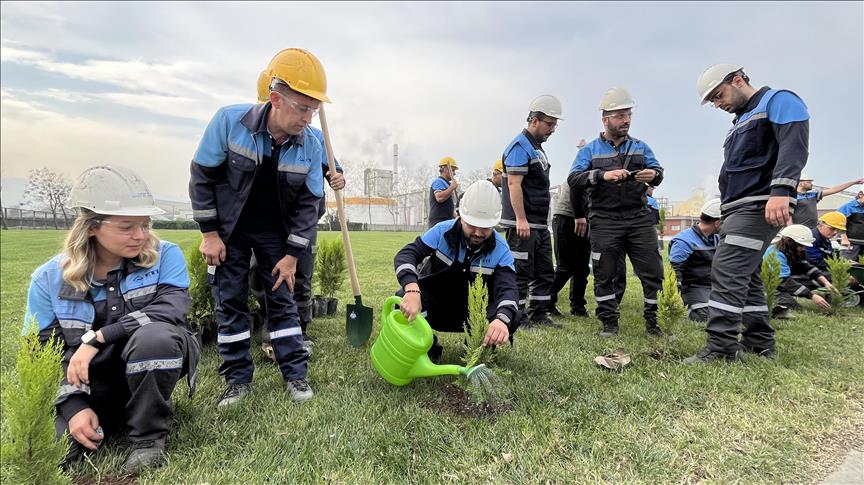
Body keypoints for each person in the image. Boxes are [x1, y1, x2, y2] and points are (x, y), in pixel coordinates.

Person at [26, 166, 199, 474]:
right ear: (91, 226)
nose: (141, 235)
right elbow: (40, 354)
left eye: (145, 224)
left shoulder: (166, 255)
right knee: (53, 451)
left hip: (148, 360)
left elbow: (172, 307)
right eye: (127, 227)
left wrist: (98, 337)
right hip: (89, 383)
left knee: (156, 337)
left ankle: (147, 438)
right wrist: (74, 407)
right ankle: (102, 412)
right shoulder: (47, 279)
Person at [189, 47, 329, 406]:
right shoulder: (228, 122)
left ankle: (295, 375)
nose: (309, 118)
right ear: (275, 98)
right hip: (229, 231)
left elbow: (309, 205)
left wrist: (293, 254)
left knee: (283, 301)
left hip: (275, 233)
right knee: (229, 302)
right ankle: (238, 380)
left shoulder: (312, 145)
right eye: (302, 107)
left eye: (313, 109)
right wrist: (209, 234)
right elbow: (202, 177)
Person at [685, 64, 809, 363]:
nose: (717, 104)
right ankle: (759, 342)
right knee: (748, 274)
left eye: (718, 95)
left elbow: (793, 146)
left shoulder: (779, 101)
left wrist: (781, 190)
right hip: (737, 207)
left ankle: (721, 348)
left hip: (758, 204)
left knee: (726, 271)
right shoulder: (740, 120)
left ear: (737, 80)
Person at [250, 73, 346, 357]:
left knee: (301, 275)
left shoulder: (316, 138)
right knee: (262, 274)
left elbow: (334, 170)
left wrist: (337, 178)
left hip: (302, 221)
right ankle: (272, 329)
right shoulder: (259, 136)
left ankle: (299, 332)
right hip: (266, 221)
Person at [568, 87, 666, 338]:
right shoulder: (589, 151)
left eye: (629, 115)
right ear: (606, 119)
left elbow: (658, 171)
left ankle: (655, 323)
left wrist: (653, 175)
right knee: (605, 273)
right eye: (620, 116)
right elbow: (574, 179)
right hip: (604, 219)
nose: (626, 121)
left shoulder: (641, 147)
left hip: (639, 218)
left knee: (653, 272)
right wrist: (603, 176)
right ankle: (609, 324)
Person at [393, 180, 519, 360]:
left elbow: (508, 290)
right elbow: (407, 254)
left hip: (475, 313)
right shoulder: (442, 231)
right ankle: (427, 345)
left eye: (484, 227)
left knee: (511, 315)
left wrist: (501, 320)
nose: (477, 232)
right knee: (401, 299)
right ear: (460, 216)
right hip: (438, 303)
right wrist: (411, 289)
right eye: (471, 225)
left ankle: (477, 348)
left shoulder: (501, 249)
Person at [500, 95, 563, 330]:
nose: (552, 130)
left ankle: (539, 313)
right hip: (523, 225)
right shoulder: (520, 146)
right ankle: (519, 316)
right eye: (549, 124)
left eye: (555, 125)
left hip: (538, 224)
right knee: (521, 272)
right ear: (534, 120)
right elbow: (514, 184)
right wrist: (521, 219)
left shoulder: (537, 149)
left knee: (545, 271)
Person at [764, 225, 835, 319]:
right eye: (801, 245)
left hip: (784, 281)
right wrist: (812, 295)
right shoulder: (775, 254)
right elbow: (784, 282)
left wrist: (826, 283)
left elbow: (805, 267)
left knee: (825, 277)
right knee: (793, 306)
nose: (803, 248)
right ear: (789, 242)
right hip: (770, 284)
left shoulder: (791, 250)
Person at [669, 198, 722, 322]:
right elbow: (674, 272)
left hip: (712, 286)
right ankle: (689, 311)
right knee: (705, 315)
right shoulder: (684, 241)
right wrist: (677, 297)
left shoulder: (717, 238)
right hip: (692, 288)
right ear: (718, 223)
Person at [549, 181, 590, 317]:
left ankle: (578, 306)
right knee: (565, 267)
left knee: (582, 268)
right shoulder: (582, 170)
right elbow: (576, 189)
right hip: (565, 218)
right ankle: (545, 302)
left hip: (584, 219)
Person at [792, 174, 863, 228]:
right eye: (809, 182)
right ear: (801, 183)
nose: (812, 184)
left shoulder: (813, 195)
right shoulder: (792, 196)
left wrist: (853, 182)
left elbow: (834, 190)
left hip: (813, 229)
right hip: (798, 228)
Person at [428, 157, 459, 228]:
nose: (454, 173)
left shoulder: (447, 184)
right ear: (445, 169)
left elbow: (447, 207)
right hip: (438, 221)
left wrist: (456, 217)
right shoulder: (438, 182)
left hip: (446, 220)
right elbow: (439, 198)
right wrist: (452, 187)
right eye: (453, 170)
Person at [838, 190, 864, 260]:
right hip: (849, 242)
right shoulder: (847, 207)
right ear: (860, 195)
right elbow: (838, 224)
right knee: (847, 265)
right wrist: (844, 238)